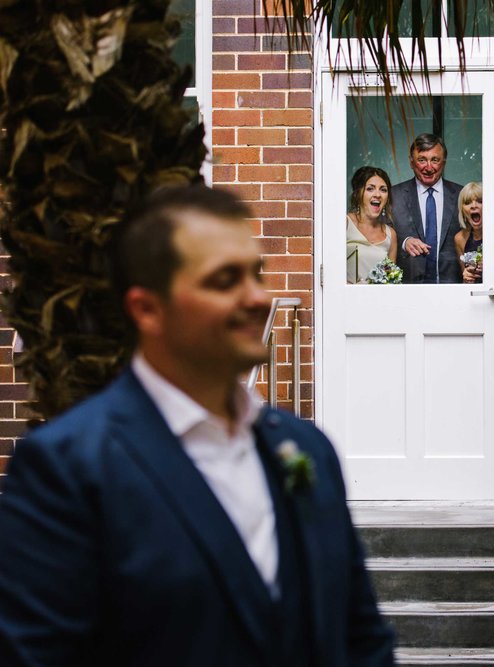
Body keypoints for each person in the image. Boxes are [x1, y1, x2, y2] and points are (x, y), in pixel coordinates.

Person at [0, 185, 395, 667]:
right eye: (225, 280)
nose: (257, 298)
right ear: (147, 309)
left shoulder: (306, 448)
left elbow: (362, 638)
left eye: (256, 274)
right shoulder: (69, 465)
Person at [391, 133, 463, 284]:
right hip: (408, 288)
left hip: (453, 290)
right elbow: (379, 236)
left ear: (443, 162)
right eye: (422, 160)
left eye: (435, 160)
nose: (428, 167)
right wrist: (405, 242)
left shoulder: (461, 196)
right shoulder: (393, 196)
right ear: (411, 162)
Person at [347, 166, 397, 284]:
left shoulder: (391, 235)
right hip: (347, 299)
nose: (377, 194)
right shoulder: (345, 223)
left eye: (383, 190)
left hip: (378, 300)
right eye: (370, 189)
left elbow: (391, 281)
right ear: (358, 193)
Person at [453, 181, 483, 284]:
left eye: (480, 201)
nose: (474, 206)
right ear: (462, 210)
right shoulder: (460, 239)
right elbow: (465, 281)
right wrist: (466, 277)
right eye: (467, 202)